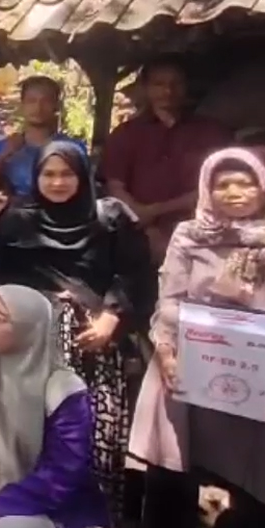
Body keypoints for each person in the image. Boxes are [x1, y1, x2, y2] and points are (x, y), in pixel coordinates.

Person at [0, 142, 150, 525]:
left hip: (92, 347)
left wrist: (112, 316)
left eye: (67, 173)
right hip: (32, 348)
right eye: (48, 174)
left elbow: (136, 274)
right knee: (30, 436)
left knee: (89, 451)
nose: (57, 182)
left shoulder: (111, 217)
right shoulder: (19, 218)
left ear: (83, 175)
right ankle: (18, 508)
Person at [129, 148, 265, 528]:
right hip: (188, 365)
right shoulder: (189, 235)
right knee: (174, 476)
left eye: (246, 183)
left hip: (251, 374)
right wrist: (167, 351)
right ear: (206, 189)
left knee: (250, 481)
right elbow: (170, 299)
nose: (234, 192)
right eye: (222, 184)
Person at [0, 284, 109, 528]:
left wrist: (0, 505)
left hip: (53, 505)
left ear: (29, 327)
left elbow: (63, 473)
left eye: (1, 318)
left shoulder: (62, 388)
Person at [103, 56, 231, 263]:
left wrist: (154, 211)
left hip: (201, 233)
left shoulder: (212, 132)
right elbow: (115, 186)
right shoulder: (125, 134)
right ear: (145, 88)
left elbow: (219, 186)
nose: (168, 91)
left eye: (176, 84)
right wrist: (146, 225)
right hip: (139, 235)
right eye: (159, 84)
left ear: (186, 86)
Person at [0, 77, 86, 200]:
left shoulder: (73, 149)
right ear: (22, 104)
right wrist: (4, 155)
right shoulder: (3, 147)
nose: (38, 107)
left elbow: (84, 193)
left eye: (46, 101)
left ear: (56, 105)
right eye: (31, 101)